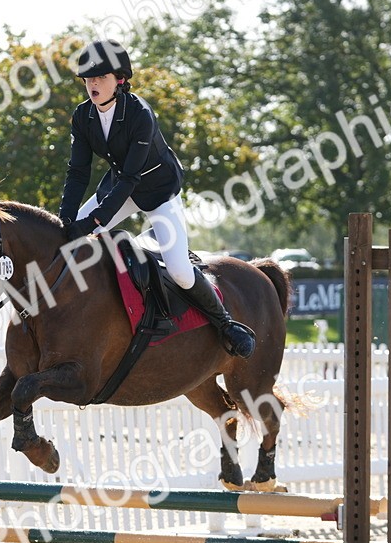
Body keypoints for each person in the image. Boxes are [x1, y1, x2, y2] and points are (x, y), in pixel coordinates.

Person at [58, 39, 256, 358]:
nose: (92, 84)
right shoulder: (83, 116)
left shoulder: (139, 114)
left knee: (178, 269)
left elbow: (131, 177)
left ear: (119, 79)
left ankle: (226, 324)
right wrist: (66, 218)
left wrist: (93, 222)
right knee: (65, 239)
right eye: (88, 79)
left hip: (159, 192)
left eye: (100, 78)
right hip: (118, 188)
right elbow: (78, 171)